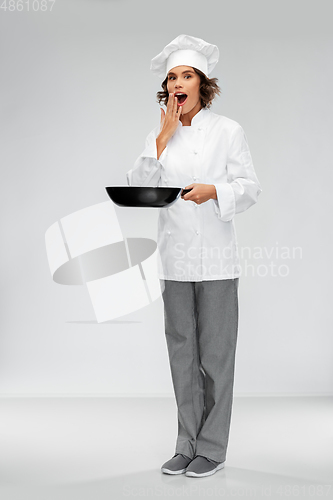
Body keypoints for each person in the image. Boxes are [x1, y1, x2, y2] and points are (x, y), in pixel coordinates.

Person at [126, 34, 262, 478]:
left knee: (216, 356)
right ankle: (186, 443)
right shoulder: (158, 134)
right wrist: (162, 137)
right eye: (171, 77)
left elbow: (249, 189)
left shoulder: (229, 131)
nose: (177, 83)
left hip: (219, 261)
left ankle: (213, 448)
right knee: (181, 353)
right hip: (175, 260)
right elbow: (138, 188)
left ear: (203, 85)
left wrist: (215, 191)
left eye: (186, 76)